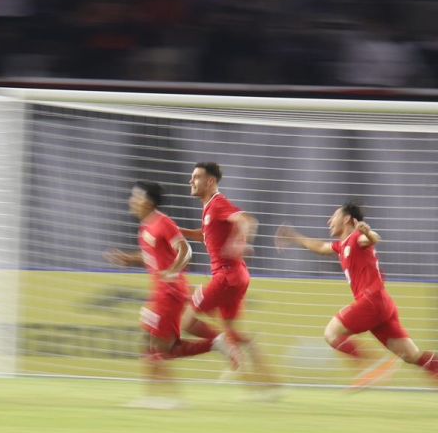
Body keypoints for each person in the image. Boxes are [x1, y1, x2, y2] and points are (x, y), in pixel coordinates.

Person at [277, 202, 438, 389]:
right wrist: (294, 237)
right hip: (382, 305)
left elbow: (373, 238)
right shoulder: (342, 246)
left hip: (372, 301)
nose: (329, 221)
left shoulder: (356, 238)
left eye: (334, 216)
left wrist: (368, 232)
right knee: (412, 356)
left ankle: (370, 364)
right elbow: (320, 246)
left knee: (331, 333)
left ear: (346, 219)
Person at [180, 162, 280, 393]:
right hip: (237, 276)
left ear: (210, 181)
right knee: (234, 333)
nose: (190, 181)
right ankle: (269, 384)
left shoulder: (217, 204)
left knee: (186, 321)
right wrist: (174, 230)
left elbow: (247, 220)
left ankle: (225, 346)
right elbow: (203, 235)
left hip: (227, 276)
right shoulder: (209, 209)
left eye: (195, 177)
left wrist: (239, 242)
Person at [106, 182, 207, 408]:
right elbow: (150, 256)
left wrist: (172, 272)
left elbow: (186, 250)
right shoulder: (146, 227)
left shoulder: (164, 223)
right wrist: (128, 259)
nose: (131, 201)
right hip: (160, 294)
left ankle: (171, 398)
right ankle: (155, 397)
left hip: (170, 293)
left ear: (149, 202)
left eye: (136, 197)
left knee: (159, 346)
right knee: (153, 344)